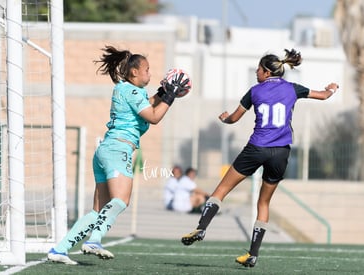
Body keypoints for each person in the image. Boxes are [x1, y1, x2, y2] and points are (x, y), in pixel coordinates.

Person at [181, 49, 339, 268]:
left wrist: (225, 119)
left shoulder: (255, 91)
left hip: (256, 148)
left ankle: (201, 227)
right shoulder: (293, 89)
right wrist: (331, 88)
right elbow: (323, 95)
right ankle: (252, 254)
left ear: (266, 72)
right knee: (264, 203)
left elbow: (234, 118)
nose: (256, 72)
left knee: (221, 190)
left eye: (258, 68)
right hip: (281, 152)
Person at [47, 45, 190, 264]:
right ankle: (94, 240)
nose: (150, 74)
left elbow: (147, 104)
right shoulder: (131, 91)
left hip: (107, 150)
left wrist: (162, 93)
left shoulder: (129, 91)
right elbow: (153, 116)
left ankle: (60, 249)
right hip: (118, 150)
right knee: (121, 200)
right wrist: (170, 96)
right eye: (147, 70)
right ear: (134, 72)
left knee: (98, 211)